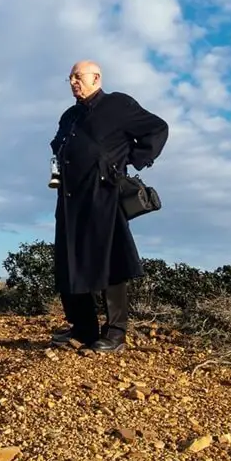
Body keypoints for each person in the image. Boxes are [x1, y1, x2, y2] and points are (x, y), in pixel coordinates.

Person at [49, 60, 169, 353]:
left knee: (111, 263)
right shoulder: (69, 115)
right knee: (70, 261)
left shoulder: (118, 105)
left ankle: (115, 333)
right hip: (69, 198)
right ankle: (84, 328)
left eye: (79, 76)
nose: (74, 82)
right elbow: (58, 146)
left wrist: (129, 160)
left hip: (104, 195)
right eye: (70, 78)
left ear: (97, 78)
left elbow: (157, 129)